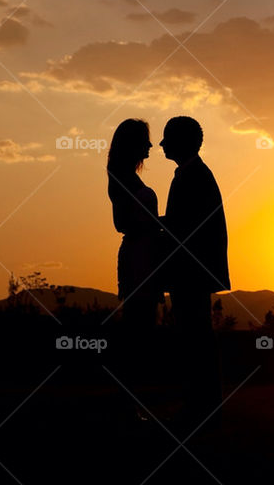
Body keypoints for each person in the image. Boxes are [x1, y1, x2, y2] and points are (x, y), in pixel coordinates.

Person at [159, 116, 229, 421]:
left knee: (195, 335)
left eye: (167, 138)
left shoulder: (195, 176)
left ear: (182, 141)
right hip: (191, 271)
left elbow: (186, 227)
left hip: (191, 272)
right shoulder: (192, 174)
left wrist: (152, 224)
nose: (161, 143)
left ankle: (203, 403)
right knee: (194, 335)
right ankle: (202, 401)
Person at [106, 118, 162, 419]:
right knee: (137, 331)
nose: (151, 145)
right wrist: (155, 226)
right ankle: (127, 404)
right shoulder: (121, 177)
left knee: (141, 331)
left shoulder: (124, 176)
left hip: (146, 256)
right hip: (138, 258)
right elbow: (121, 222)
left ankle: (130, 402)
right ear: (133, 144)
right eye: (145, 140)